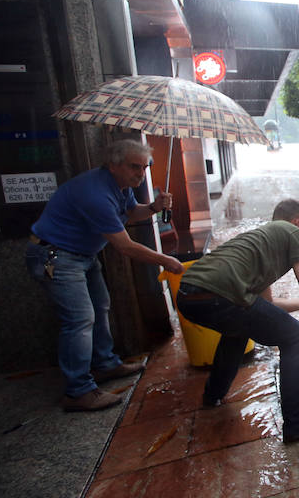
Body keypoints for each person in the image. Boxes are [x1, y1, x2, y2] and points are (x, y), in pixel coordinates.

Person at [26, 139, 185, 412]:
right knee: (79, 320)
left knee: (100, 308)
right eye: (134, 167)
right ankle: (78, 391)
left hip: (83, 255)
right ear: (113, 165)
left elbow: (131, 211)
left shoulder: (120, 186)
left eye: (144, 168)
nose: (140, 174)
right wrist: (165, 260)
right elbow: (124, 246)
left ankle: (105, 364)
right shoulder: (94, 193)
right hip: (56, 257)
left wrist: (154, 207)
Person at [176, 199, 299, 443]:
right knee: (296, 336)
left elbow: (269, 306)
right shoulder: (295, 234)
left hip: (188, 295)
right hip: (220, 293)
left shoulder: (259, 242)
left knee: (238, 328)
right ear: (298, 221)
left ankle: (213, 395)